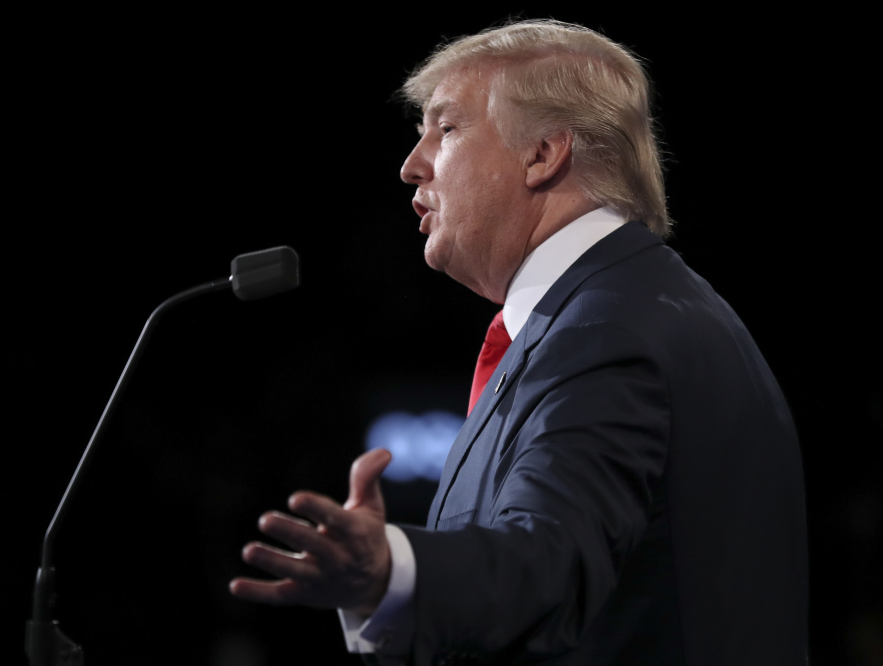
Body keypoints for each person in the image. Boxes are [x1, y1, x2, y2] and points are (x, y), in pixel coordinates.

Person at [229, 19, 808, 664]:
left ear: (543, 153)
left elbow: (549, 558)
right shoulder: (641, 306)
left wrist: (391, 569)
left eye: (445, 129)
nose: (410, 165)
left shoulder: (606, 331)